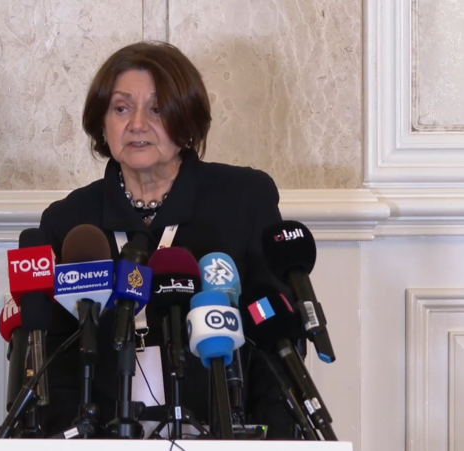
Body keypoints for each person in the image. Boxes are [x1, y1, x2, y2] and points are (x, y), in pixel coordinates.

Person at [39, 41, 296, 439]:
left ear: (186, 118)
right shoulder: (70, 222)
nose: (137, 124)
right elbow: (56, 362)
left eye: (157, 109)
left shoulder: (243, 201)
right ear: (102, 122)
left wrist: (273, 442)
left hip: (222, 436)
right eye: (121, 108)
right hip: (106, 440)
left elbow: (275, 337)